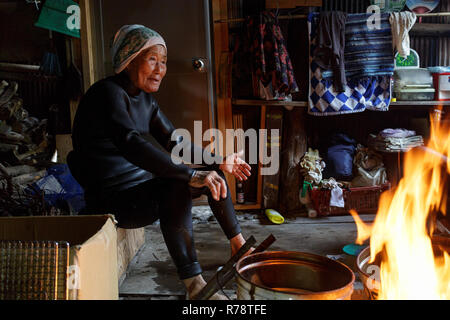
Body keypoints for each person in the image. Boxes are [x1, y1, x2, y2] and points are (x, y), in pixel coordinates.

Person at [67, 25, 252, 300]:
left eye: (163, 62)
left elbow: (175, 142)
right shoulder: (106, 93)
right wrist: (189, 175)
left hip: (141, 190)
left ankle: (239, 246)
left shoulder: (146, 101)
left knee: (211, 175)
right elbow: (130, 142)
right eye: (152, 59)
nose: (160, 69)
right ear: (128, 59)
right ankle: (194, 285)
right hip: (114, 200)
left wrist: (219, 161)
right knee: (176, 186)